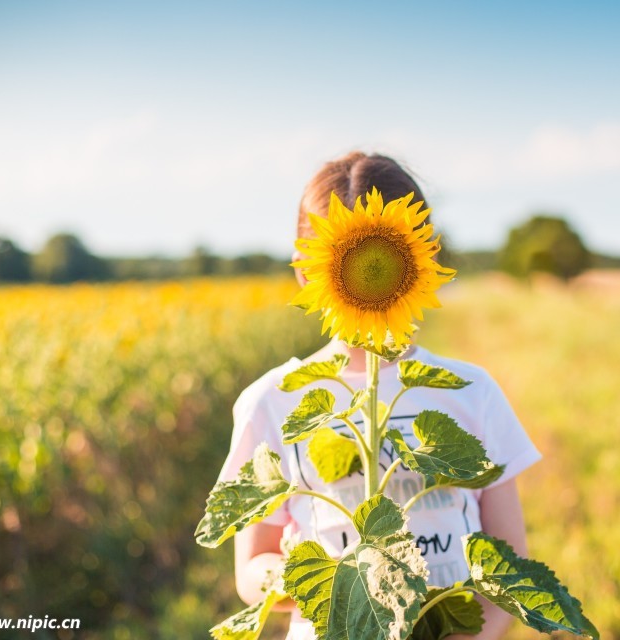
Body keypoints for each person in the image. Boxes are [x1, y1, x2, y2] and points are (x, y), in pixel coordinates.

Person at [217, 151, 542, 640]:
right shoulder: (274, 400)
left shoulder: (472, 393)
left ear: (423, 257)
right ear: (307, 271)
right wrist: (329, 577)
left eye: (387, 256)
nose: (371, 271)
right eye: (348, 258)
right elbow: (250, 572)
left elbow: (509, 563)